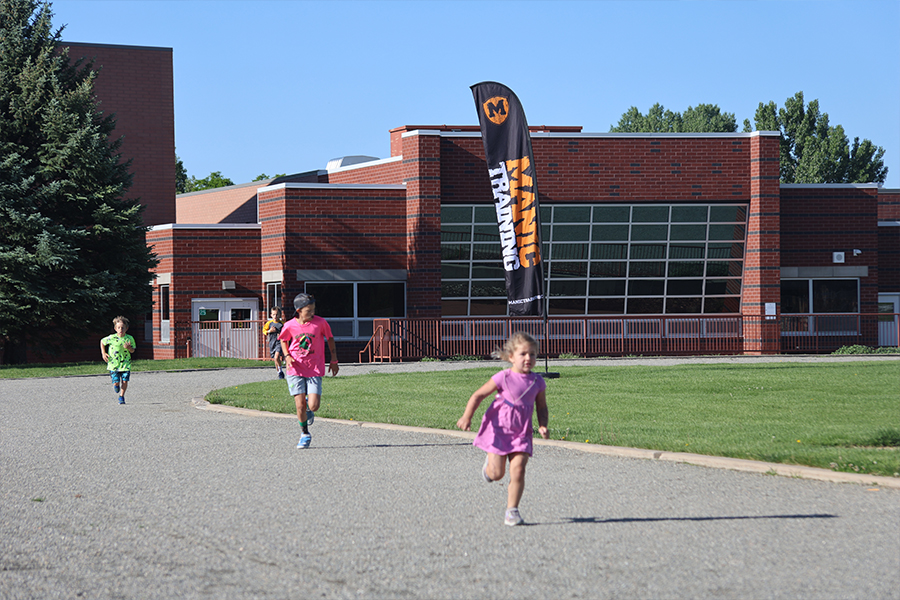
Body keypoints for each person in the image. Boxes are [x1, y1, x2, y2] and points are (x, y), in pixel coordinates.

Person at [457, 331, 549, 526]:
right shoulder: (503, 377)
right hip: (498, 431)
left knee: (518, 470)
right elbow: (477, 396)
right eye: (523, 354)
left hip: (522, 434)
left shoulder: (537, 382)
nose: (528, 358)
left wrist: (543, 425)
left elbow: (541, 406)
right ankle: (488, 468)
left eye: (532, 354)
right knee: (497, 474)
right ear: (511, 357)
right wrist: (467, 416)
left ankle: (512, 511)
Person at [278, 293, 339, 449]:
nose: (312, 313)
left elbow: (330, 338)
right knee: (299, 406)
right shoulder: (290, 325)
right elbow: (283, 340)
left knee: (313, 406)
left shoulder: (320, 323)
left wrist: (334, 360)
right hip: (295, 368)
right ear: (299, 310)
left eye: (313, 310)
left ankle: (307, 407)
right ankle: (305, 434)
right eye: (308, 311)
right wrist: (287, 356)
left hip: (314, 367)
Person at [100, 316, 136, 405]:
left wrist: (129, 348)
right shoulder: (111, 338)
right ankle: (116, 385)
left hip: (125, 363)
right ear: (115, 328)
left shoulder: (129, 338)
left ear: (126, 328)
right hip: (113, 364)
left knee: (125, 381)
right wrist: (103, 353)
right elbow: (102, 342)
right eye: (119, 327)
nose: (121, 329)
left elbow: (133, 350)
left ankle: (121, 396)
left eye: (123, 327)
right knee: (116, 382)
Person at [263, 306, 285, 379]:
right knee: (275, 359)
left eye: (277, 314)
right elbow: (264, 331)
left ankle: (281, 371)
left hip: (279, 342)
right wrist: (270, 331)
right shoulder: (269, 323)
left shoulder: (282, 324)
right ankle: (279, 372)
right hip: (272, 343)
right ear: (271, 315)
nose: (275, 316)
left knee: (277, 357)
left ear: (280, 315)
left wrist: (281, 334)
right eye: (274, 314)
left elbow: (287, 332)